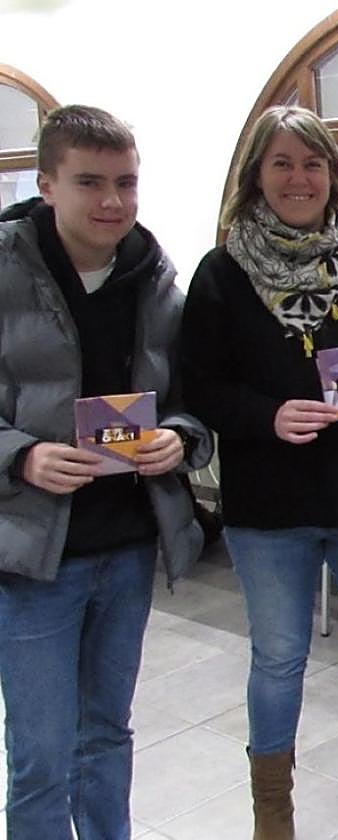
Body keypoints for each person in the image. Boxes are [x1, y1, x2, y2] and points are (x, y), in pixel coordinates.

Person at [180, 106, 338, 840]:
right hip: (269, 504)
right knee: (278, 659)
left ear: (333, 174)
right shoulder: (222, 272)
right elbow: (199, 386)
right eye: (282, 163)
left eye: (312, 163)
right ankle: (274, 816)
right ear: (256, 176)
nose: (298, 178)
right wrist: (267, 415)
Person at [0, 104, 213, 839]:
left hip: (127, 548)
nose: (113, 202)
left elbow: (192, 402)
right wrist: (21, 454)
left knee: (106, 735)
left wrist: (180, 438)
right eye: (90, 182)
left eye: (126, 182)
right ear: (46, 184)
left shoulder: (156, 281)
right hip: (32, 558)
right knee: (40, 753)